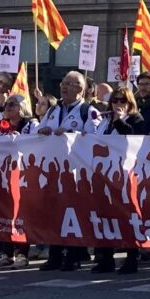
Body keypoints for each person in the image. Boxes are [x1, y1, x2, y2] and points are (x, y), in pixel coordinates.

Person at [36, 71, 101, 271]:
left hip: (75, 173)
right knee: (54, 213)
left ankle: (73, 255)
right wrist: (42, 131)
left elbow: (96, 137)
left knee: (74, 214)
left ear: (80, 89)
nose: (64, 87)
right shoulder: (53, 110)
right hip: (53, 171)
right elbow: (40, 129)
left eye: (70, 84)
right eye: (63, 83)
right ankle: (54, 255)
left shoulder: (88, 111)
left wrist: (72, 135)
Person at [92, 87, 147, 274]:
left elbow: (133, 138)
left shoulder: (135, 119)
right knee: (104, 216)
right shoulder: (105, 122)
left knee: (127, 217)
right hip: (104, 175)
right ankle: (106, 258)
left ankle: (132, 257)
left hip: (125, 175)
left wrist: (119, 121)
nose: (118, 104)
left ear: (129, 103)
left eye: (122, 101)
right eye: (115, 101)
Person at [0, 94, 38, 270]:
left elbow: (36, 145)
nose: (7, 107)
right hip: (4, 176)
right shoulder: (2, 126)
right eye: (6, 104)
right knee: (6, 215)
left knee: (21, 216)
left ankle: (23, 254)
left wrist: (20, 140)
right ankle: (7, 254)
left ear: (22, 107)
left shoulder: (31, 125)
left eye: (12, 104)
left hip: (24, 177)